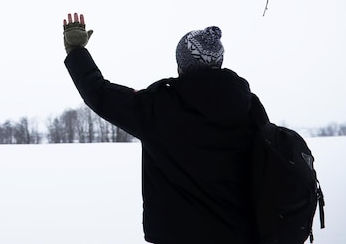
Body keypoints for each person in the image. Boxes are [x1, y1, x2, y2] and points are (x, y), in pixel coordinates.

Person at [62, 12, 257, 244]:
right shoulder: (248, 106)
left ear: (182, 63)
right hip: (240, 236)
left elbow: (99, 93)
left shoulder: (160, 107)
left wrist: (77, 51)